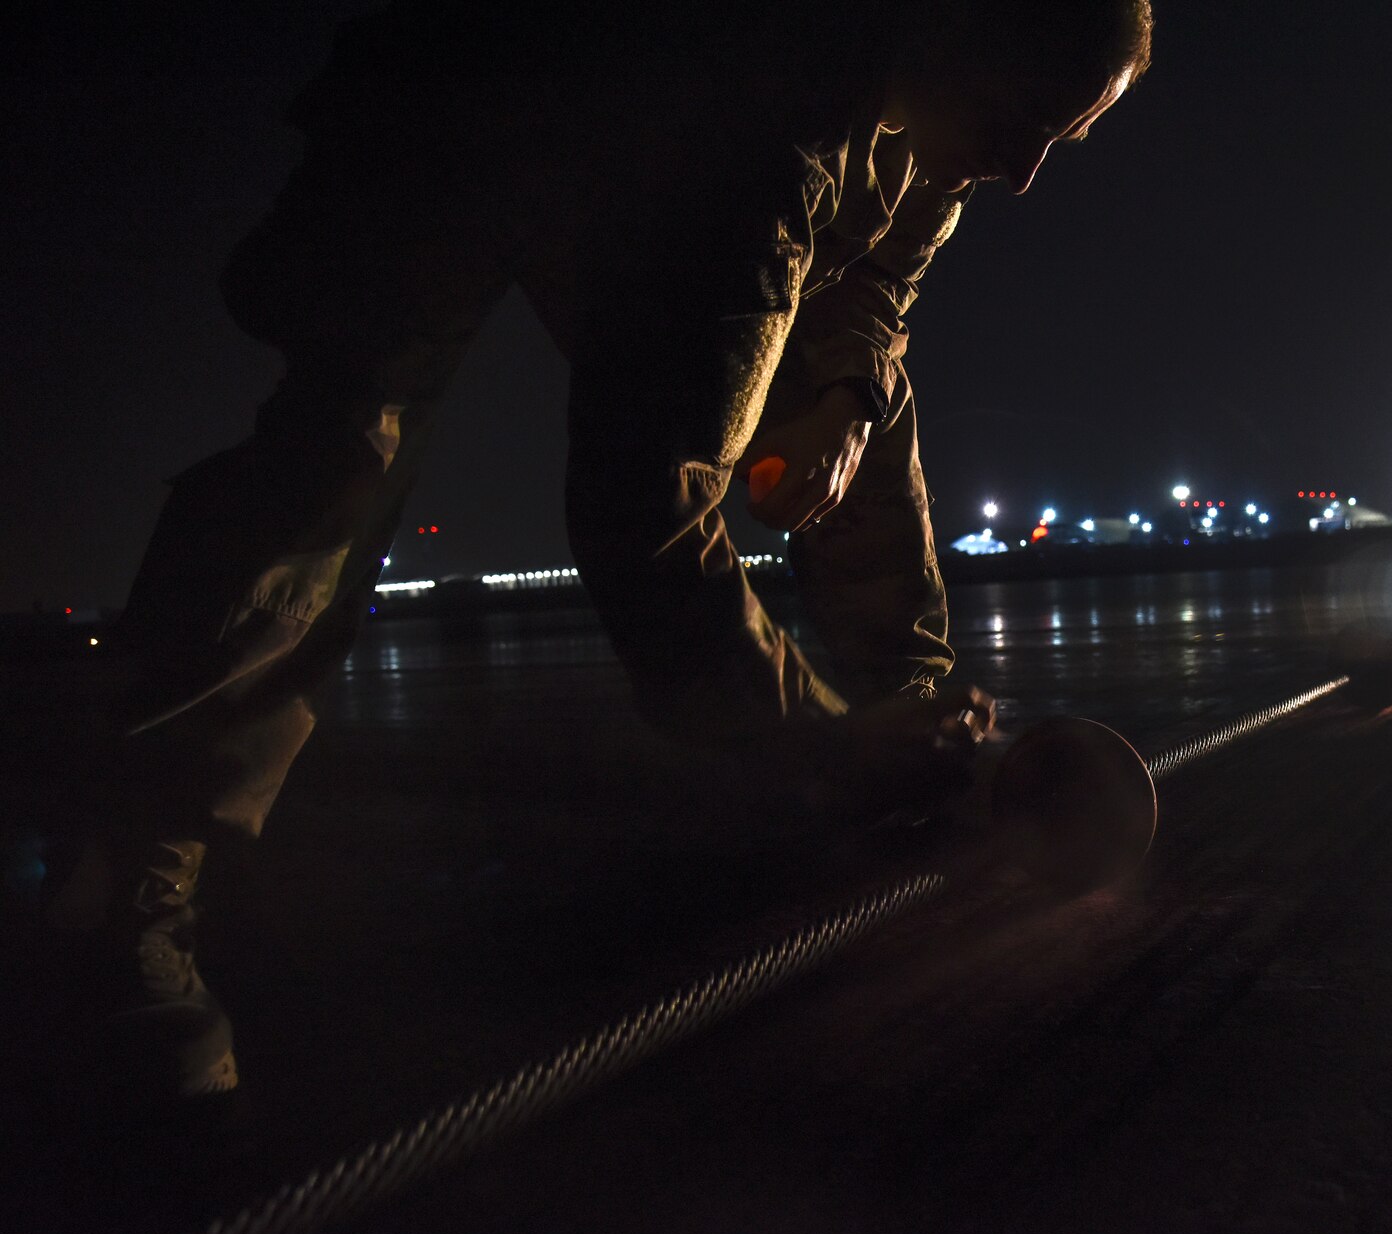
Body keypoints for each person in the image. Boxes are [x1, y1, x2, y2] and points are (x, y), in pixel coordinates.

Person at [38, 0, 1153, 1102]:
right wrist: (817, 745)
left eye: (1063, 136)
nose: (1022, 172)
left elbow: (874, 294)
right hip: (462, 123)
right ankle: (122, 896)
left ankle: (925, 749)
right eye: (1022, 121)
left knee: (854, 402)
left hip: (673, 169)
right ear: (948, 31)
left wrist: (851, 400)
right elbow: (646, 518)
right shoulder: (775, 126)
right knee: (332, 468)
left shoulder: (934, 130)